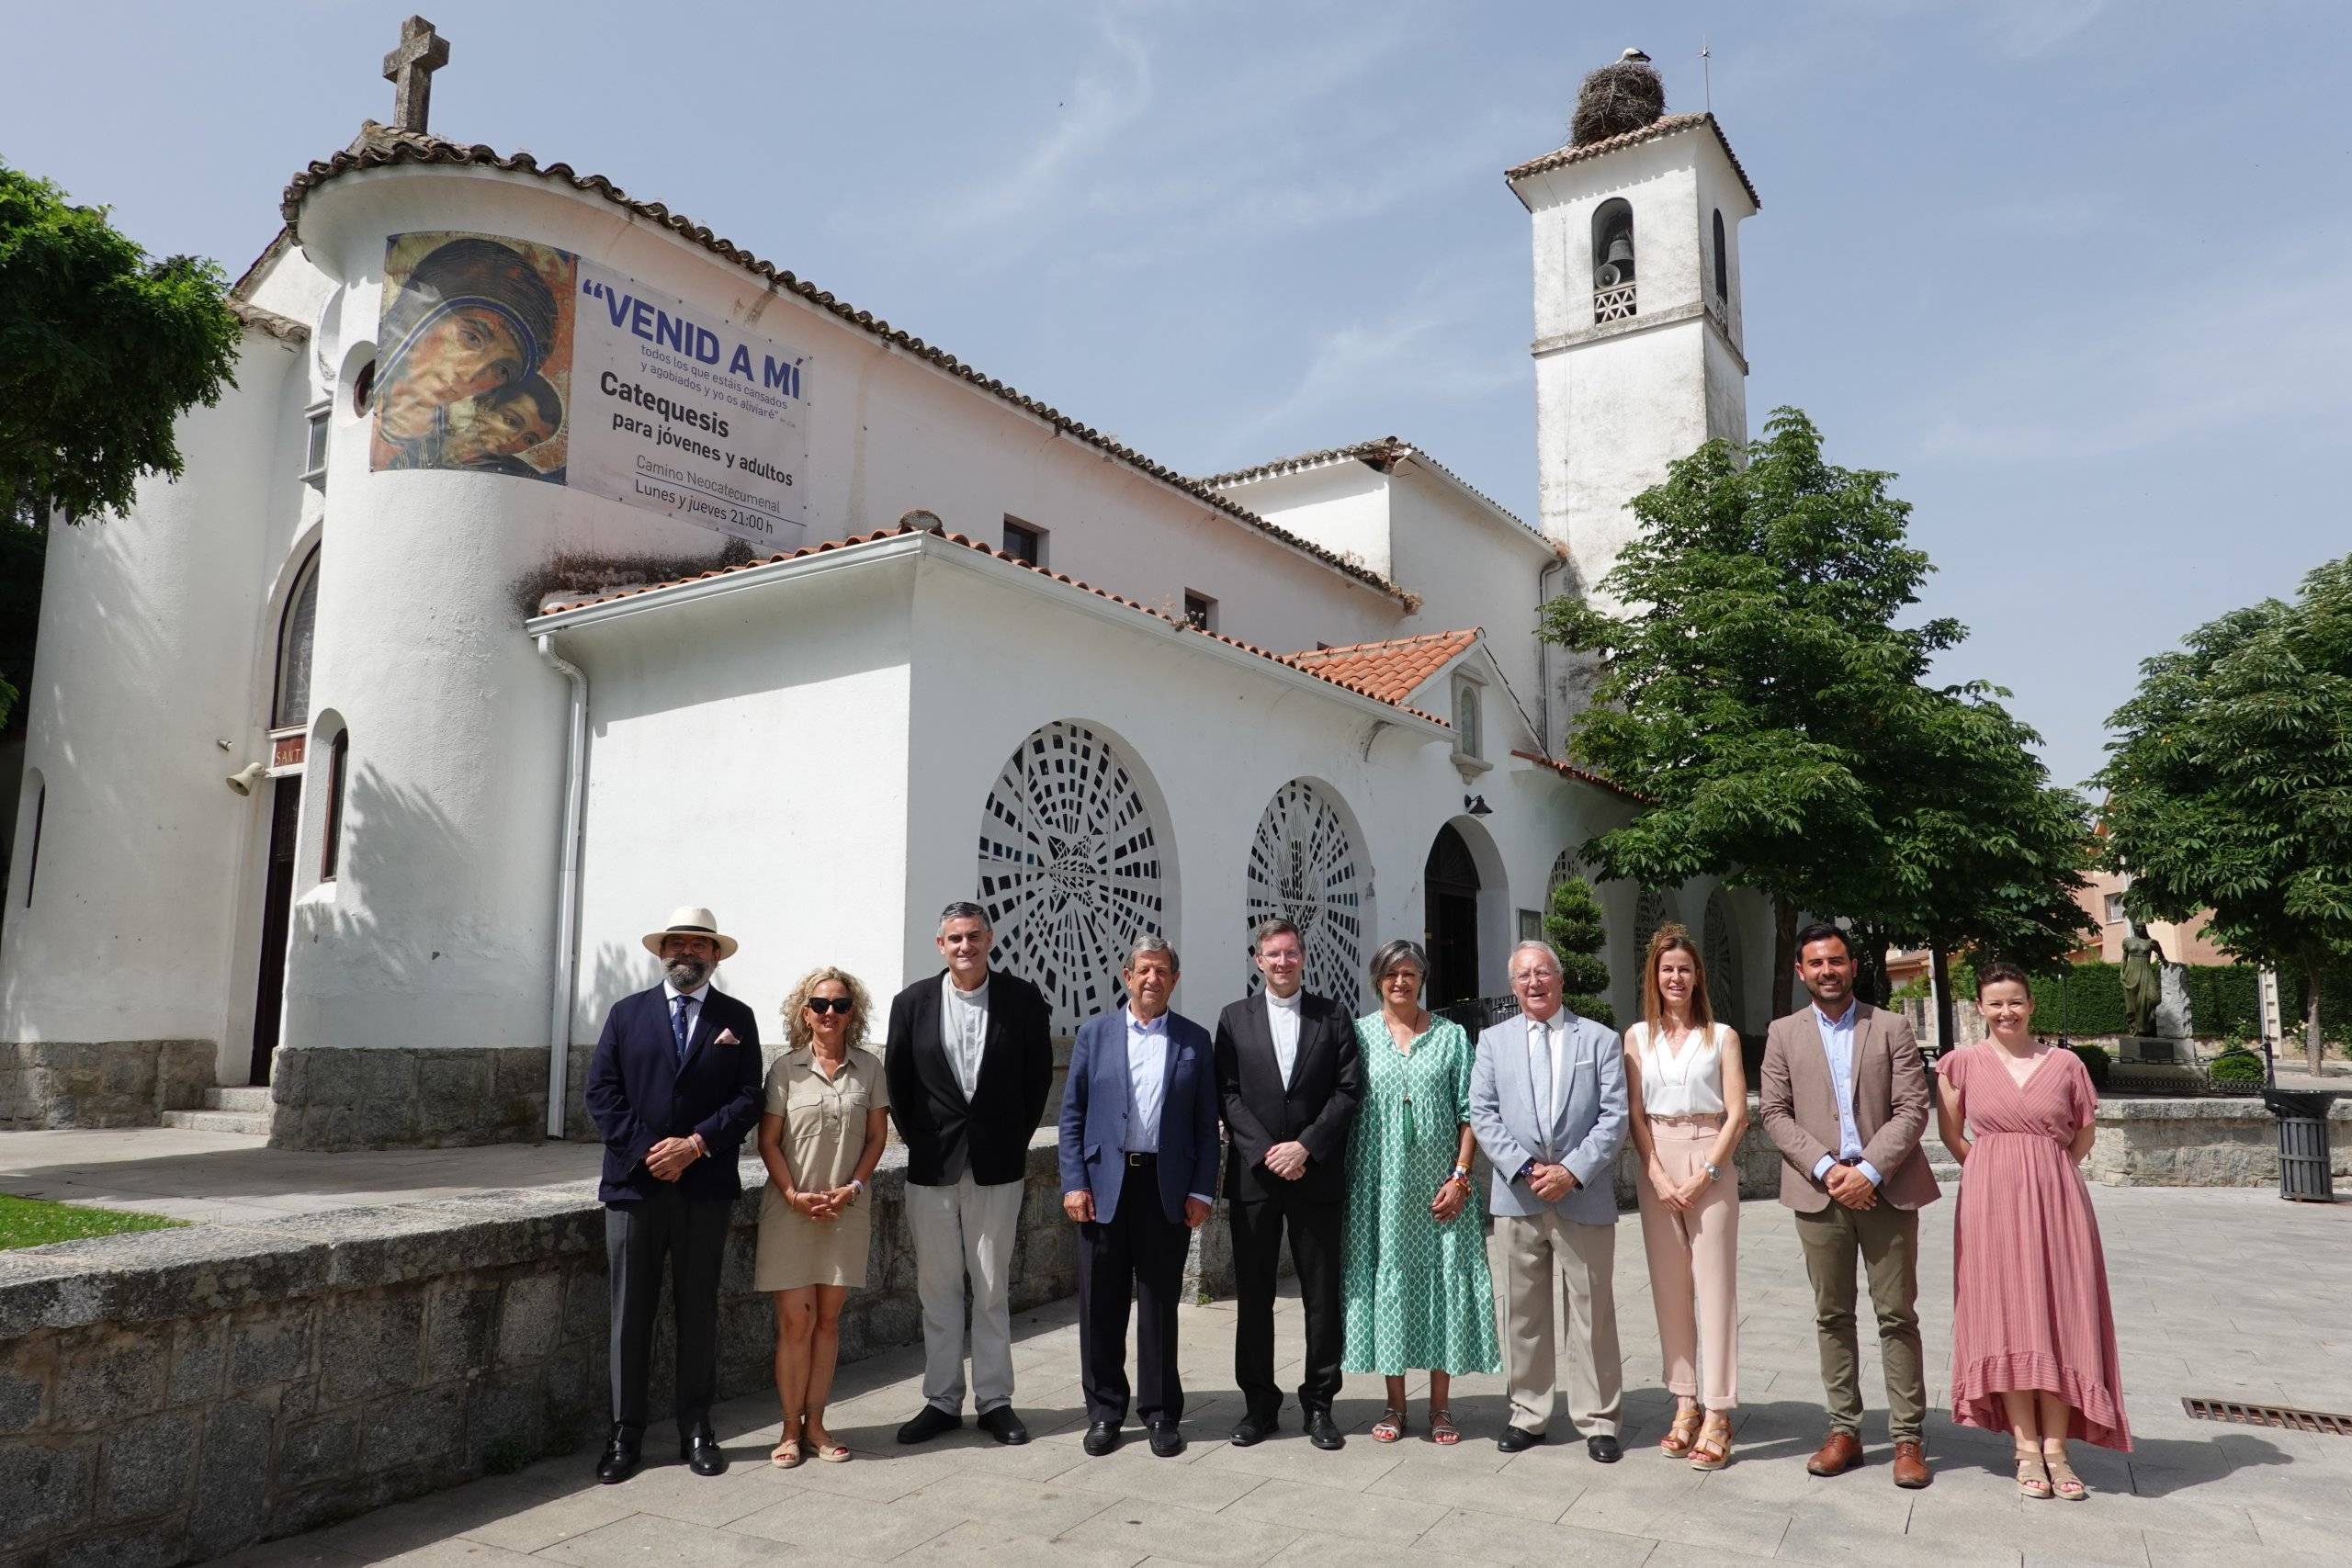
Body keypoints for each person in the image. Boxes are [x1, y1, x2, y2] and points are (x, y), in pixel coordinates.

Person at [1935, 961, 2131, 1499]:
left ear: (2031, 1004)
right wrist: (1992, 1168)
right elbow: (1951, 1132)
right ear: (1979, 1007)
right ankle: (2025, 1448)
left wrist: (2045, 1170)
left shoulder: (2066, 1064)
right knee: (2009, 1315)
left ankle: (2058, 1450)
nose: (2006, 1011)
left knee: (2064, 1314)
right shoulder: (1961, 1064)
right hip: (1990, 1197)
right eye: (1996, 1002)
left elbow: (2083, 1136)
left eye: (2016, 1001)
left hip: (2057, 1195)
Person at [583, 906, 763, 1484]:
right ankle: (624, 1435)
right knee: (630, 1315)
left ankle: (696, 1429)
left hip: (704, 1187)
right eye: (676, 944)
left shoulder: (738, 1018)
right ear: (663, 953)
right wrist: (647, 1151)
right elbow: (602, 1093)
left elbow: (746, 1099)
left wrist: (695, 1145)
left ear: (715, 955)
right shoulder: (625, 1014)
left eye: (697, 945)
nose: (685, 953)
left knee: (697, 1310)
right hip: (635, 1189)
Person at [1758, 921, 1940, 1490]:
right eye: (1816, 963)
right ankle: (1845, 1431)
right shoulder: (1783, 1033)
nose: (1827, 972)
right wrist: (1828, 1168)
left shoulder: (1889, 1026)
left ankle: (1908, 1439)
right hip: (1820, 1194)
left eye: (1836, 961)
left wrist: (1867, 1170)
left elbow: (1914, 1107)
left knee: (1897, 1316)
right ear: (1801, 971)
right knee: (1832, 1315)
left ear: (1852, 966)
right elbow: (1774, 1113)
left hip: (1885, 1190)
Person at [883, 900, 1055, 1446]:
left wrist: (1006, 1140)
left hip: (997, 1165)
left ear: (990, 939)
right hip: (933, 1164)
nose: (965, 946)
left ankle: (996, 1400)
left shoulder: (1023, 1001)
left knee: (990, 1287)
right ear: (940, 945)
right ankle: (940, 1400)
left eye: (974, 936)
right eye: (955, 938)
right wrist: (927, 1142)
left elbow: (1035, 1085)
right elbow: (900, 1083)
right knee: (936, 1289)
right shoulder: (911, 1003)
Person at [1058, 937, 1218, 1458]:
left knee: (1158, 1306)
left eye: (1163, 971)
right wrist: (1074, 1182)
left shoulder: (1194, 1040)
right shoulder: (1095, 1034)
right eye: (1143, 970)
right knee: (1100, 1305)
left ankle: (1161, 1412)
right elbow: (1073, 1116)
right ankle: (1105, 1411)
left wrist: (1201, 1190)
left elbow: (1204, 1123)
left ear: (1175, 979)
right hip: (1105, 1188)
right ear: (1127, 975)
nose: (1153, 979)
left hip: (1164, 1188)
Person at [1470, 939, 1629, 1461]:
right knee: (1523, 1313)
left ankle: (1599, 1419)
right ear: (1512, 986)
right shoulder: (1493, 1042)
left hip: (1581, 1196)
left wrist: (1571, 1171)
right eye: (1523, 976)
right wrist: (1525, 1168)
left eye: (1543, 973)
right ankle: (1528, 1414)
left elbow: (1614, 1117)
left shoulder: (1601, 1040)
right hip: (1517, 1196)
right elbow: (1483, 1113)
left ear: (1560, 979)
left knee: (1592, 1312)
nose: (1534, 983)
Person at [1340, 939, 1498, 1447]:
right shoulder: (1359, 1036)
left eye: (1409, 974)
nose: (1400, 983)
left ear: (1422, 979)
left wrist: (1460, 1176)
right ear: (1377, 980)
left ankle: (1441, 1408)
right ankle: (1394, 1404)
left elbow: (1470, 1111)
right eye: (1391, 974)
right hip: (1381, 1188)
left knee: (1442, 1284)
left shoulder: (1452, 1037)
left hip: (1439, 1189)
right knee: (1392, 1286)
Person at [1213, 918, 1363, 1450]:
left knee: (1321, 1297)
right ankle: (1259, 1406)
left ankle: (1319, 1404)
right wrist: (1265, 1152)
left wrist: (1306, 1146)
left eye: (1291, 953)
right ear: (1258, 960)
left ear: (1303, 957)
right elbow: (1227, 1094)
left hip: (1314, 1174)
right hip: (1255, 1177)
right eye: (1273, 954)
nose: (1282, 962)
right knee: (1253, 1297)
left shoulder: (1333, 1015)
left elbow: (1348, 1091)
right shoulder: (1233, 1019)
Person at [753, 966, 888, 1468]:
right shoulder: (784, 1070)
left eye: (841, 1004)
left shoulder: (870, 1070)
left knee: (828, 1321)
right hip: (791, 1211)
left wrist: (851, 1187)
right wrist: (792, 1194)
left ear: (854, 1013)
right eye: (820, 1004)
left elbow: (877, 1138)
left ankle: (818, 1424)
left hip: (845, 1210)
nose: (830, 1013)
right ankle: (789, 1429)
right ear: (804, 1011)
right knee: (795, 1321)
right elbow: (767, 1141)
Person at [1624, 924, 1747, 1470]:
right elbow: (1633, 1112)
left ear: (1698, 976)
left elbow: (1739, 1112)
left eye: (1685, 968)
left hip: (1709, 1152)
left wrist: (1709, 1172)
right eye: (1666, 969)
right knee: (1670, 1288)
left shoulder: (1721, 1036)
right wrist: (1652, 1170)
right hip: (1658, 1157)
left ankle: (1719, 1412)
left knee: (1715, 1288)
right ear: (1654, 976)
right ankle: (1684, 1400)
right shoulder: (1636, 1038)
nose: (1676, 977)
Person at [372, 235, 562, 468]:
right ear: (422, 315)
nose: (471, 375)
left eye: (501, 369)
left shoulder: (452, 456)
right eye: (472, 337)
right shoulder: (365, 408)